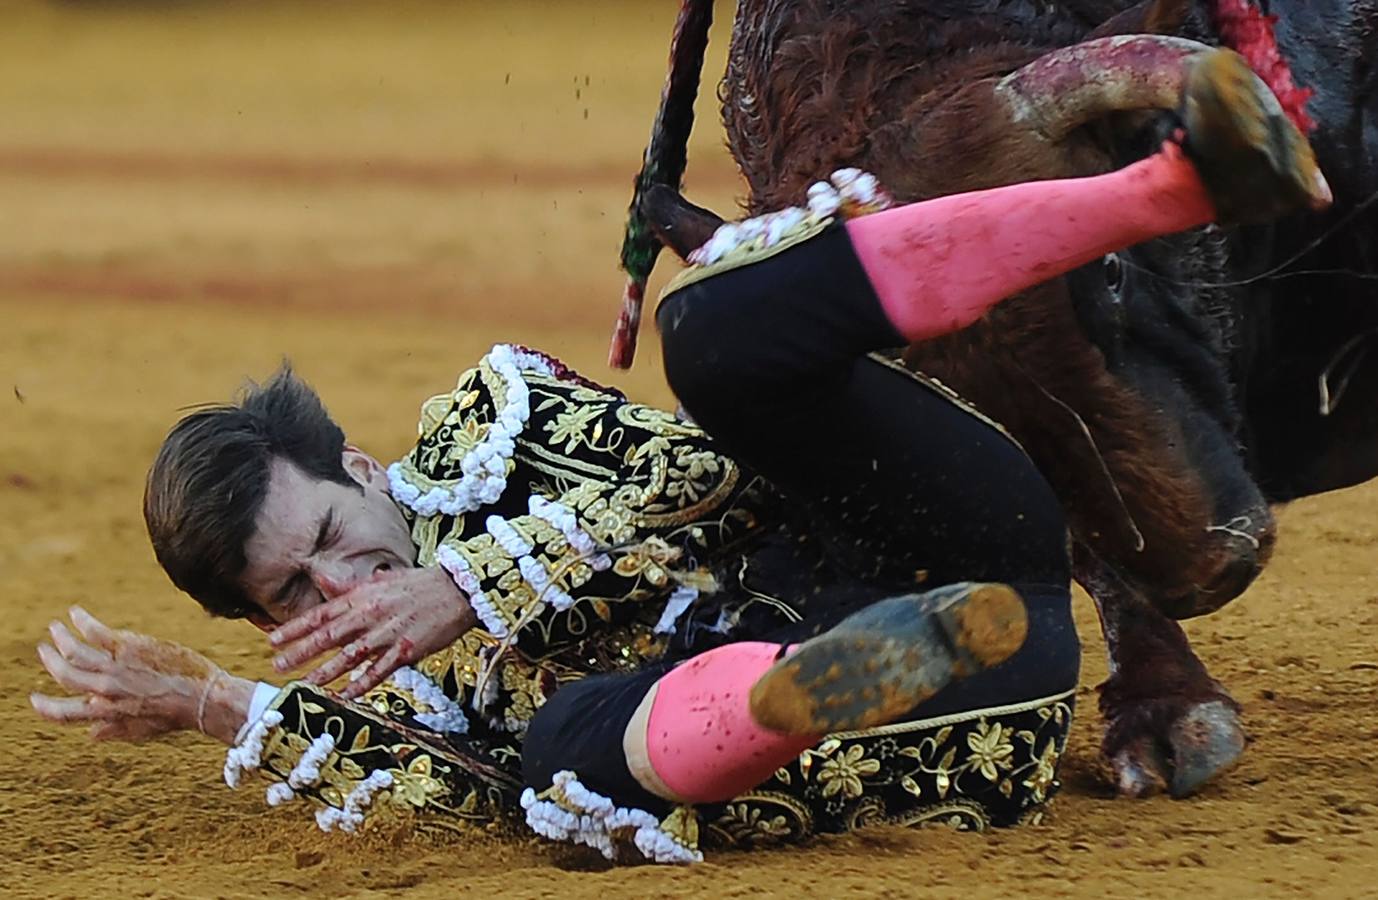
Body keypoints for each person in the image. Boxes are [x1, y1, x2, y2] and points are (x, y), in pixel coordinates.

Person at [31, 49, 1328, 862]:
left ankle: (1170, 186)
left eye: (325, 544)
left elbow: (698, 472)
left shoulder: (491, 424)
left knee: (707, 333)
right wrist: (220, 706)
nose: (338, 591)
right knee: (546, 768)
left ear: (364, 469)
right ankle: (788, 690)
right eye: (291, 601)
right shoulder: (393, 693)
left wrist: (469, 585)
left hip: (946, 536)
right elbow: (471, 799)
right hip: (959, 711)